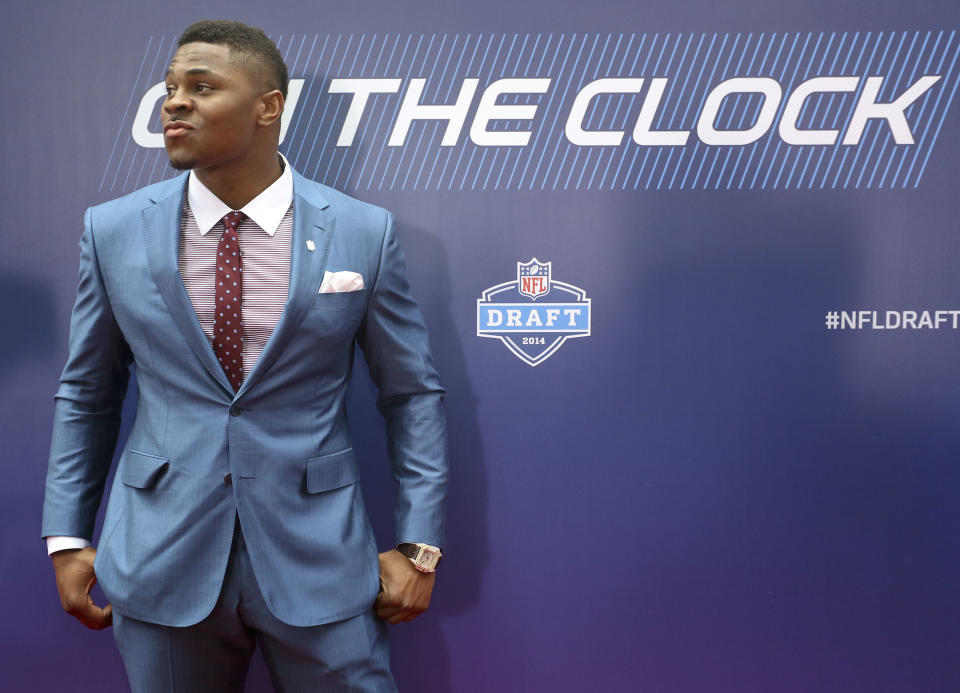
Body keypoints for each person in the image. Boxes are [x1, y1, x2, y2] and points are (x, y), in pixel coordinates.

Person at [41, 19, 447, 692]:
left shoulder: (361, 231)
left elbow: (412, 395)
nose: (174, 102)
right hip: (159, 556)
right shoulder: (111, 229)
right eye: (170, 87)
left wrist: (420, 546)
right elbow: (87, 391)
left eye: (202, 87)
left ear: (269, 107)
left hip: (321, 558)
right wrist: (66, 535)